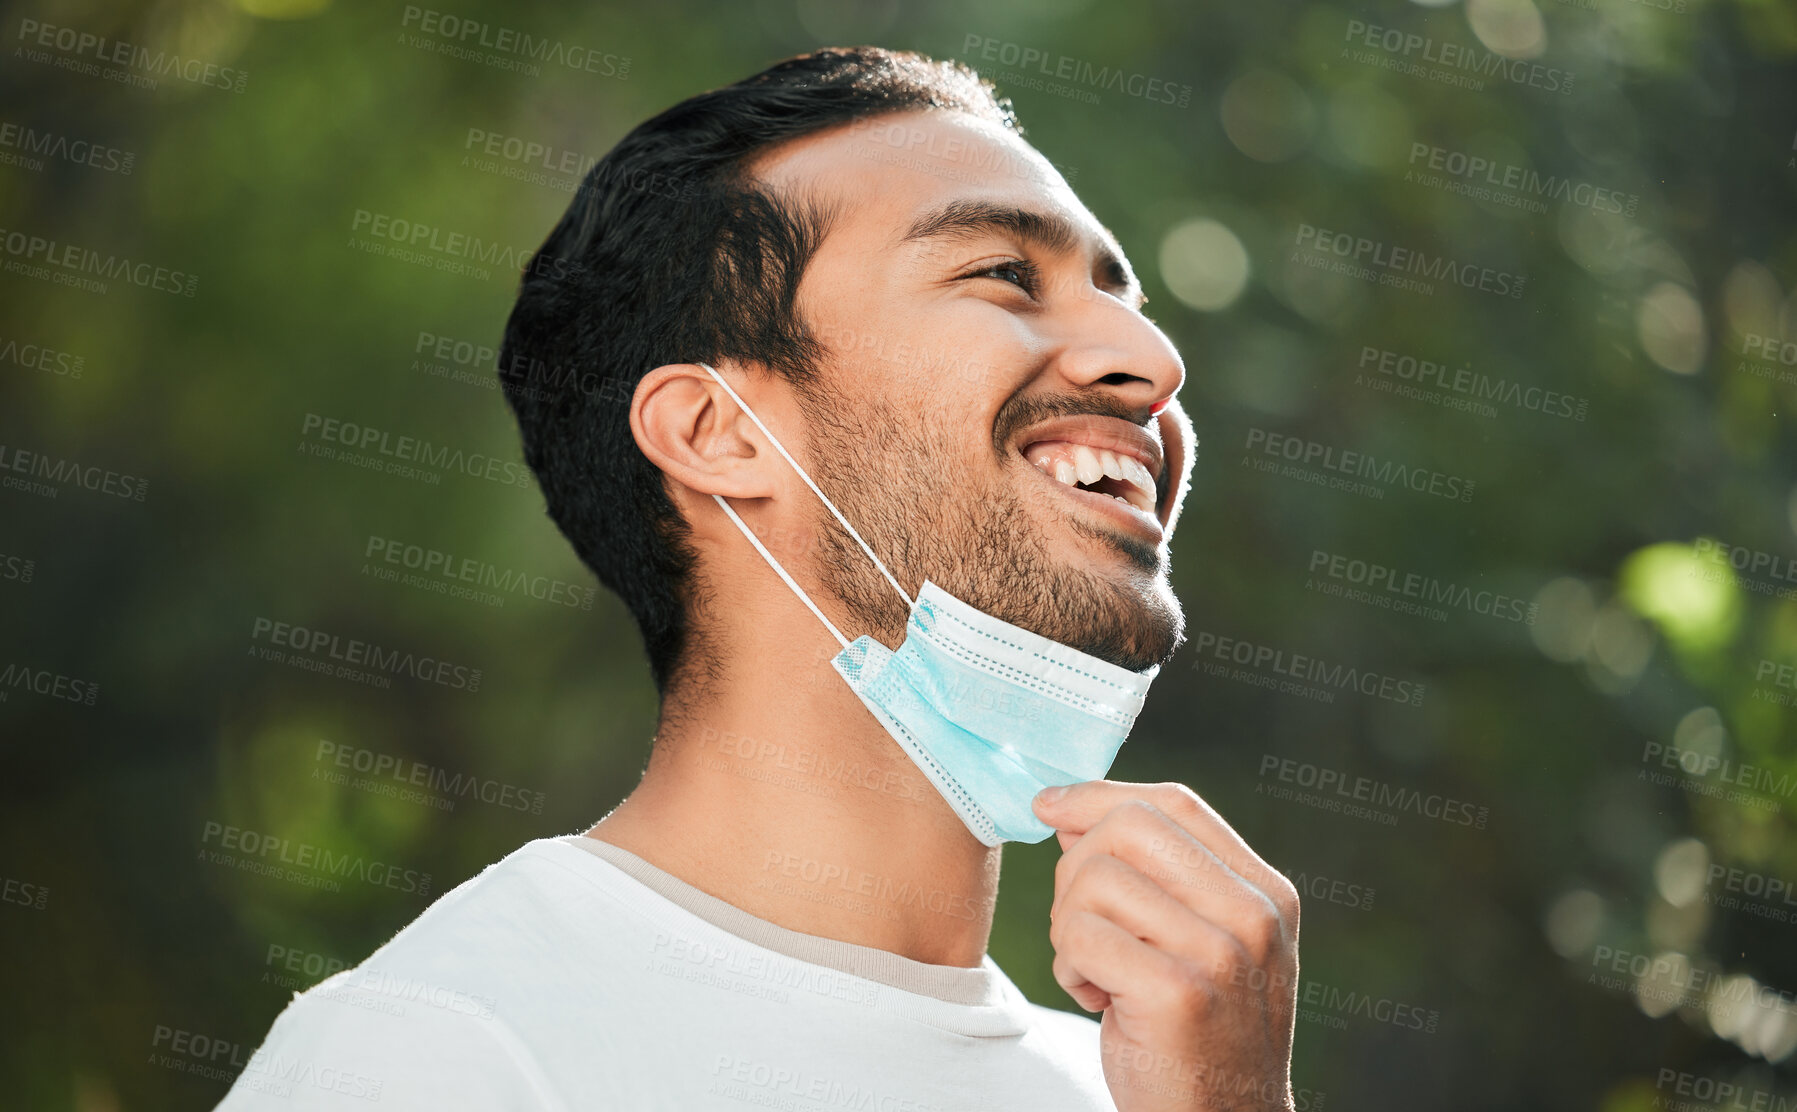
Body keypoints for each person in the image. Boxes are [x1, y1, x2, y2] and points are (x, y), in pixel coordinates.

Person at [218, 46, 1300, 1111]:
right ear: (717, 432)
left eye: (1124, 297)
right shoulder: (440, 1054)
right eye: (1004, 274)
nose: (1155, 364)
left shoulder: (1151, 1083)